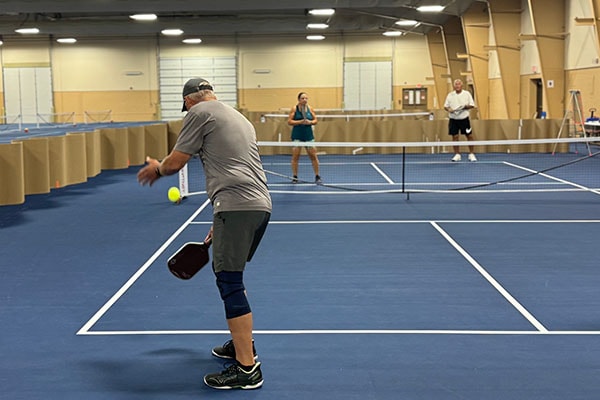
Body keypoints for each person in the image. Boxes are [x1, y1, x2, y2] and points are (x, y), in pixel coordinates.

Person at [137, 78, 271, 390]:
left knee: (229, 280)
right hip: (257, 205)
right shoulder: (237, 116)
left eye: (185, 108)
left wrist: (157, 169)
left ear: (189, 101)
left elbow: (175, 162)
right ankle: (242, 346)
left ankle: (247, 368)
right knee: (234, 277)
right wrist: (220, 219)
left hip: (236, 206)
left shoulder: (199, 114)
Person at [287, 92, 322, 183]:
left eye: (306, 98)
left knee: (313, 156)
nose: (305, 100)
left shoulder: (310, 109)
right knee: (296, 156)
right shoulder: (294, 109)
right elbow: (290, 121)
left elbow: (315, 120)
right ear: (299, 99)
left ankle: (317, 176)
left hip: (308, 136)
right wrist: (300, 122)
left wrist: (310, 122)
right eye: (303, 98)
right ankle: (295, 177)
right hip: (297, 136)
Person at [443, 79, 477, 162]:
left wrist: (465, 107)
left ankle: (471, 154)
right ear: (454, 86)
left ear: (461, 85)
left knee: (469, 136)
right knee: (455, 137)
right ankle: (457, 154)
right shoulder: (450, 95)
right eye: (456, 84)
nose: (457, 86)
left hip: (464, 119)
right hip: (453, 120)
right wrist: (449, 109)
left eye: (459, 84)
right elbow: (445, 106)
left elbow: (472, 105)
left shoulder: (467, 94)